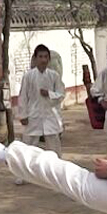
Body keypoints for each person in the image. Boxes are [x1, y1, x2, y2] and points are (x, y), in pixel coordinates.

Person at [15, 44, 66, 184]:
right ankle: (23, 174)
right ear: (35, 59)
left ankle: (58, 174)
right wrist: (23, 115)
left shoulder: (54, 76)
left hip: (50, 115)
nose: (43, 60)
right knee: (28, 146)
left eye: (45, 57)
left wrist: (49, 94)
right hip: (33, 115)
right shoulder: (28, 76)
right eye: (40, 57)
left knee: (54, 146)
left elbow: (61, 94)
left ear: (49, 59)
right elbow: (23, 97)